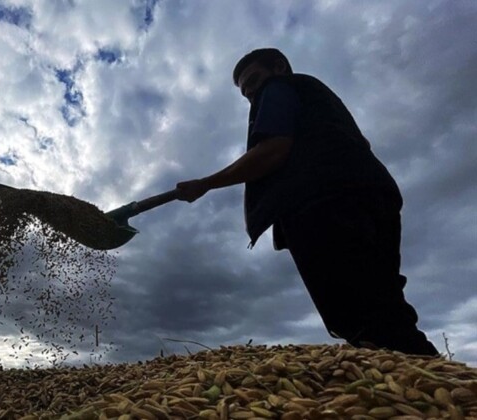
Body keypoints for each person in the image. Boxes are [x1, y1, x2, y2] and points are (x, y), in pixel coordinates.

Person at [175, 48, 439, 356]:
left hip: (326, 204)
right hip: (371, 194)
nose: (253, 95)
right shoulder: (321, 100)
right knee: (383, 301)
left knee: (358, 314)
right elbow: (354, 145)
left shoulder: (280, 87)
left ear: (279, 67)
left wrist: (205, 184)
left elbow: (274, 148)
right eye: (246, 93)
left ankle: (419, 389)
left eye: (255, 82)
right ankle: (432, 386)